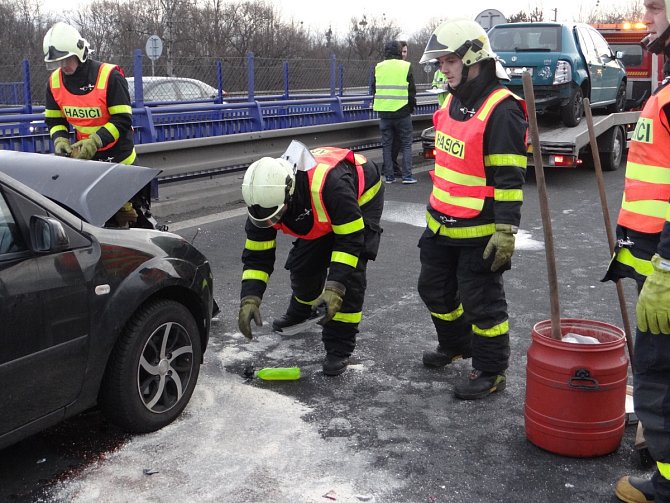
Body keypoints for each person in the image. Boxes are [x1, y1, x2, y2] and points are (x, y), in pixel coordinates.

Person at [416, 19, 528, 400]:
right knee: (433, 289)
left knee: (483, 303)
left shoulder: (502, 109)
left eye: (448, 60)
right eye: (440, 62)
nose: (442, 69)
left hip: (479, 230)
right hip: (440, 224)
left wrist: (506, 230)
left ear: (473, 58)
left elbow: (510, 178)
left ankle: (492, 370)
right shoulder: (452, 99)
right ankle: (456, 343)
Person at [237, 141, 384, 376]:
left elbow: (350, 242)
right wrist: (249, 298)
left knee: (350, 276)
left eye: (276, 217)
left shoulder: (330, 188)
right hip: (318, 209)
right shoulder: (264, 202)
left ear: (290, 195)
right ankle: (301, 311)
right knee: (304, 266)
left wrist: (335, 287)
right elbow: (257, 256)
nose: (271, 225)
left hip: (360, 196)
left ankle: (339, 347)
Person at [605, 0, 670, 501]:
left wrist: (666, 267)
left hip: (665, 256)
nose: (645, 17)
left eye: (654, 7)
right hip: (648, 247)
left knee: (659, 364)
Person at [43, 22, 139, 228]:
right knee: (88, 220)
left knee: (124, 218)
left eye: (66, 59)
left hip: (118, 158)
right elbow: (54, 119)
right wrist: (60, 139)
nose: (63, 66)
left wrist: (95, 141)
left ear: (79, 53)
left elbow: (122, 120)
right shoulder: (54, 82)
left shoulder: (109, 76)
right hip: (85, 158)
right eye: (57, 62)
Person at [372, 40, 417, 184]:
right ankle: (407, 176)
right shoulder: (406, 66)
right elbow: (411, 91)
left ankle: (389, 176)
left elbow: (374, 89)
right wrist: (410, 107)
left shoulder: (378, 67)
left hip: (384, 112)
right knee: (406, 144)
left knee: (386, 144)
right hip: (402, 111)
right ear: (399, 52)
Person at [391, 40, 409, 177]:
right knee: (400, 142)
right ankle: (403, 172)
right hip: (398, 110)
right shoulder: (403, 67)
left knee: (395, 142)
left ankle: (391, 168)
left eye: (405, 52)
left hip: (395, 109)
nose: (404, 54)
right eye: (402, 51)